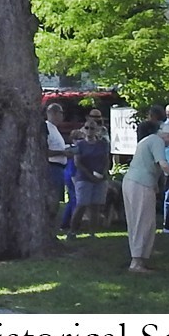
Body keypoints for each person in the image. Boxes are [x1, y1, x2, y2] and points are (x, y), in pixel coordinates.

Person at [122, 121, 169, 273]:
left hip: (133, 182)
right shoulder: (157, 141)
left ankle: (139, 259)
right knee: (144, 222)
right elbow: (163, 164)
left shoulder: (148, 140)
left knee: (137, 221)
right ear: (168, 135)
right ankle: (137, 263)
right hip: (140, 184)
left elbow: (147, 164)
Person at [69, 127, 111, 239]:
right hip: (83, 178)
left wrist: (103, 173)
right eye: (87, 127)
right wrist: (90, 175)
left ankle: (92, 233)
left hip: (100, 178)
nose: (89, 130)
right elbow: (77, 162)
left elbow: (107, 159)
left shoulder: (103, 144)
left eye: (92, 128)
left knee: (96, 206)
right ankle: (72, 232)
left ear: (96, 130)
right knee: (81, 205)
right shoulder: (80, 144)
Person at [44, 102, 73, 234]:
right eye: (60, 113)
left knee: (57, 199)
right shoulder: (47, 128)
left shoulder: (55, 129)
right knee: (52, 198)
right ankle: (49, 227)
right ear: (53, 113)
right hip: (52, 167)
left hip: (61, 167)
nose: (62, 116)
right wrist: (62, 153)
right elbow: (45, 150)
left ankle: (52, 228)